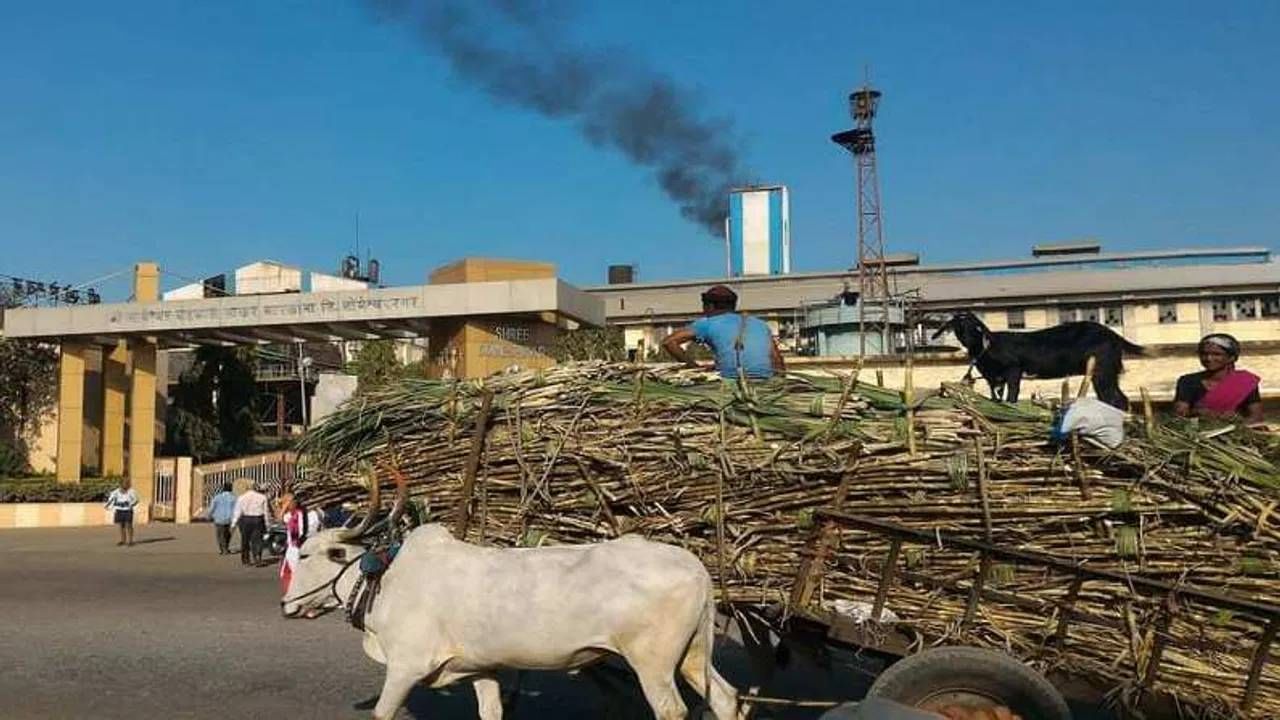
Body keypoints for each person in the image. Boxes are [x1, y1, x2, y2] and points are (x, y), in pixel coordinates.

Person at [661, 285, 785, 380]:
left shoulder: (706, 323)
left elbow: (669, 342)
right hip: (765, 380)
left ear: (709, 306)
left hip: (731, 380)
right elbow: (777, 360)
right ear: (734, 306)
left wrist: (694, 368)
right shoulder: (760, 324)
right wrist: (780, 385)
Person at [1174, 333, 1265, 424]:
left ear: (1231, 358)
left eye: (1217, 354)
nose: (1209, 358)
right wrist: (1198, 412)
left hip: (1235, 432)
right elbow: (1180, 415)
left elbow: (1256, 417)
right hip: (1197, 433)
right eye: (1204, 354)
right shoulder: (1188, 381)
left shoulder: (1245, 381)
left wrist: (1234, 421)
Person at [276, 493, 311, 593]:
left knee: (297, 572)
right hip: (290, 548)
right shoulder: (289, 515)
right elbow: (279, 518)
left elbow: (302, 531)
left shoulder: (300, 513)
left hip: (297, 547)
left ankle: (301, 592)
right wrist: (282, 506)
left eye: (288, 502)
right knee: (285, 572)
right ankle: (290, 592)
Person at [231, 482, 271, 566]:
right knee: (257, 540)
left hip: (245, 519)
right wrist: (267, 524)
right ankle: (257, 558)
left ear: (246, 488)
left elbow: (238, 512)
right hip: (258, 519)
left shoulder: (241, 498)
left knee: (245, 540)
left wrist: (233, 524)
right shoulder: (262, 497)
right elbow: (266, 512)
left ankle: (246, 560)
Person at [104, 478, 139, 547]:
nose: (127, 485)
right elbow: (110, 499)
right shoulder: (115, 492)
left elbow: (136, 500)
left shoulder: (131, 492)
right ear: (121, 484)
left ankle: (130, 541)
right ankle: (123, 540)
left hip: (128, 510)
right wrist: (107, 505)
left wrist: (130, 504)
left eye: (128, 483)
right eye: (125, 483)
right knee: (121, 525)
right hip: (119, 510)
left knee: (128, 525)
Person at [207, 482, 237, 555]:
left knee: (220, 535)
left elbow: (212, 508)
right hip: (230, 519)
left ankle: (223, 549)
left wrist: (209, 515)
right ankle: (225, 547)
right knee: (228, 534)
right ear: (231, 489)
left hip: (219, 518)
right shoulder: (234, 498)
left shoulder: (217, 497)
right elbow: (237, 508)